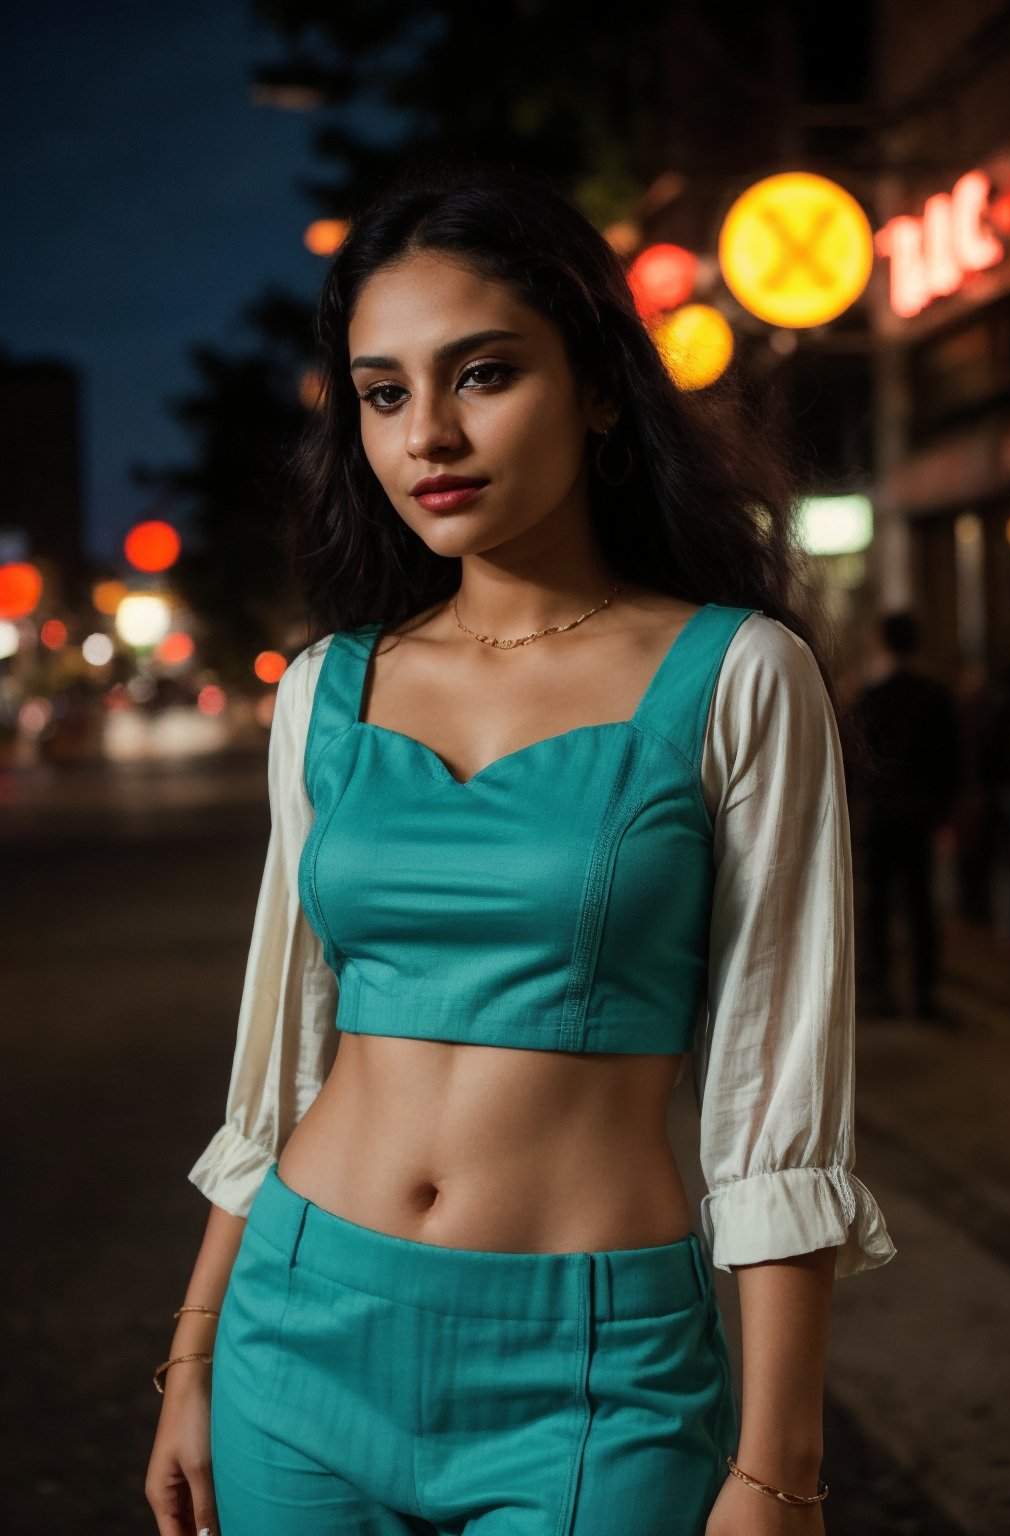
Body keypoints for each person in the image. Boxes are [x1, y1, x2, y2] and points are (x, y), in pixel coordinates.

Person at [146, 156, 896, 1536]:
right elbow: (282, 1053)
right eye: (384, 392)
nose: (427, 431)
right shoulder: (328, 688)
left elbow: (775, 1096)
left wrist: (778, 1469)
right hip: (296, 1334)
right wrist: (190, 1355)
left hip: (594, 1368)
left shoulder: (736, 676)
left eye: (482, 374)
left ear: (601, 388)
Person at [854, 611, 962, 1021]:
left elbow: (859, 762)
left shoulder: (872, 697)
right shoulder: (936, 696)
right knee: (920, 904)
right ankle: (924, 993)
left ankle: (882, 991)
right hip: (921, 816)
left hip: (881, 815)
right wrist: (942, 811)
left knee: (878, 904)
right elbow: (951, 761)